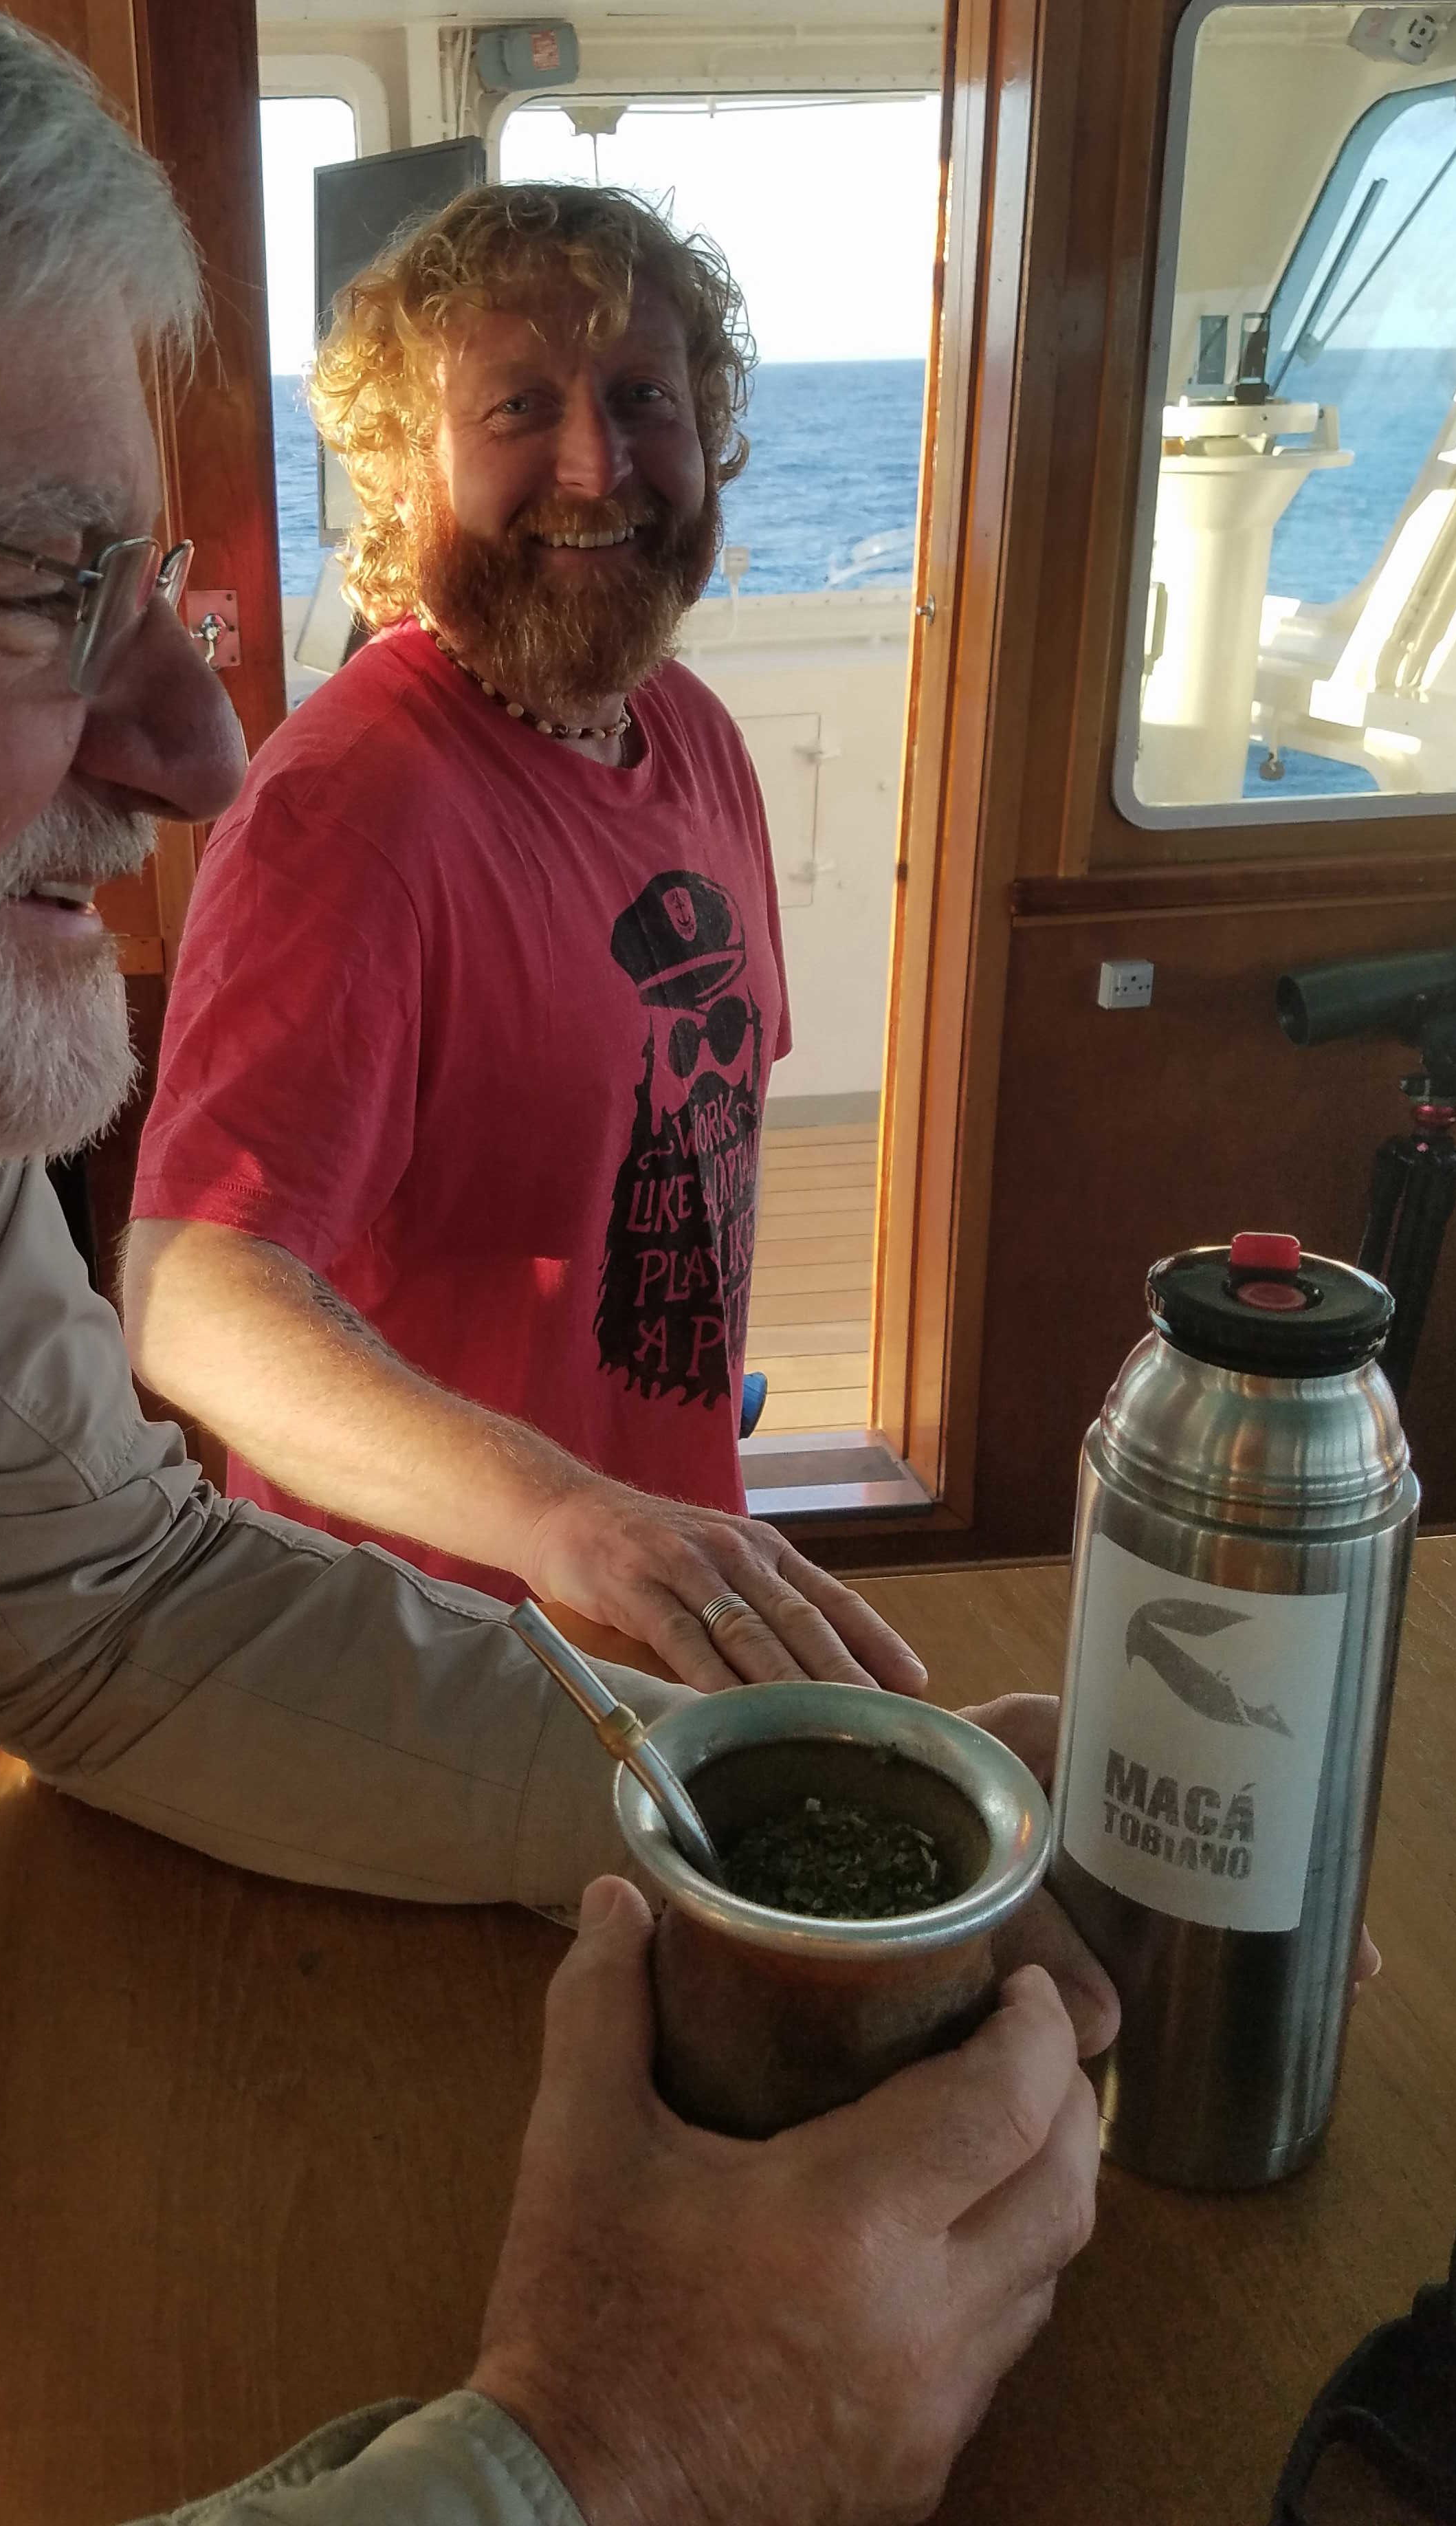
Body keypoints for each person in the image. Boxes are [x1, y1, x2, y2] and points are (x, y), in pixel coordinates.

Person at [0, 0, 1110, 2526]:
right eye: (24, 584)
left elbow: (120, 1605)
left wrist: (760, 1818)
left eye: (151, 590)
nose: (197, 753)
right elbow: (213, 1294)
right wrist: (606, 2461)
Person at [125, 184, 915, 1695]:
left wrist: (645, 1529)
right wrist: (569, 1515)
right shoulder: (348, 811)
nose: (596, 464)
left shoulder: (693, 739)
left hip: (661, 1615)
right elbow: (193, 1294)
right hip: (425, 1666)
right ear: (401, 468)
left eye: (644, 398)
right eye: (520, 407)